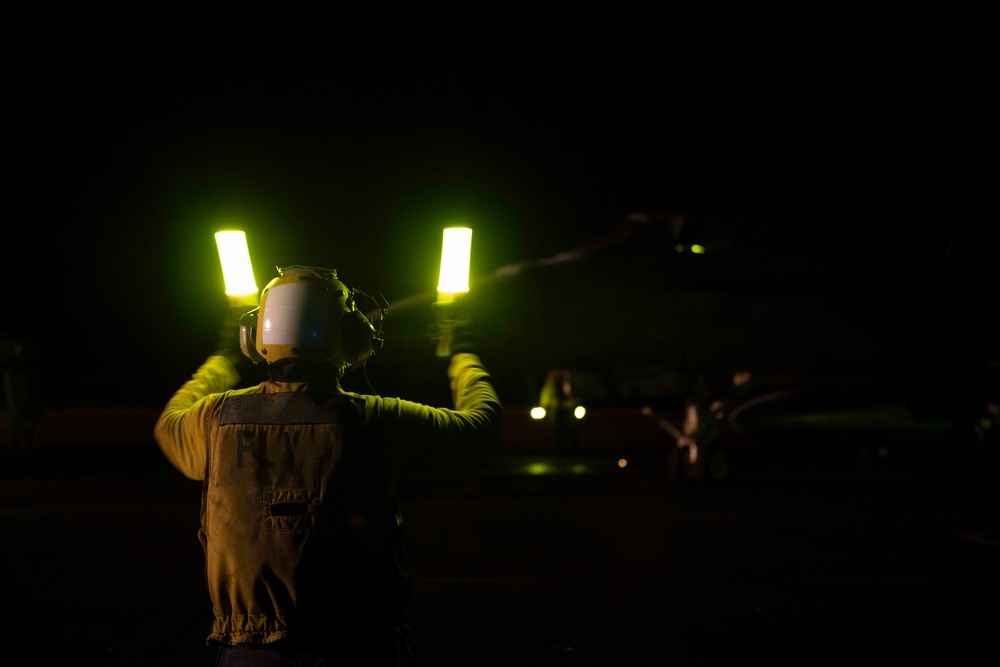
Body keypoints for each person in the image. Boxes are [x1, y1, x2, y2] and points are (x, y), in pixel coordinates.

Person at [153, 265, 502, 666]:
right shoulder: (373, 419)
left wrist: (223, 356)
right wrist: (463, 351)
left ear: (255, 337)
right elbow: (482, 428)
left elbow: (169, 423)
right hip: (355, 645)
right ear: (351, 338)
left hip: (249, 652)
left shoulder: (214, 418)